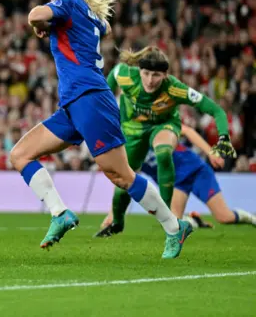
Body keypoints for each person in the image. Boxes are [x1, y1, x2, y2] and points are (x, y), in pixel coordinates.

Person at [11, 0, 191, 259]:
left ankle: (174, 227)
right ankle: (60, 214)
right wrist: (49, 26)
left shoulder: (68, 5)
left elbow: (34, 13)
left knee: (121, 176)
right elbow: (104, 28)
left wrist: (39, 23)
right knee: (20, 155)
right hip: (73, 103)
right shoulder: (87, 12)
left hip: (91, 98)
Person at [94, 47, 236, 236]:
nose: (150, 80)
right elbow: (104, 92)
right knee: (123, 182)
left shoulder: (174, 88)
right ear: (139, 70)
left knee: (162, 152)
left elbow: (216, 110)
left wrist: (224, 136)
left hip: (164, 126)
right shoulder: (123, 74)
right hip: (133, 132)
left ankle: (168, 219)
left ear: (165, 75)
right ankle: (117, 223)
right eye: (146, 73)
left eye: (156, 75)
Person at [96, 124, 256, 236]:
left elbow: (186, 130)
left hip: (196, 171)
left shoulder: (149, 132)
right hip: (176, 184)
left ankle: (251, 218)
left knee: (224, 217)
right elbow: (125, 184)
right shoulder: (129, 156)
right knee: (172, 223)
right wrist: (113, 214)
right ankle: (194, 220)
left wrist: (210, 152)